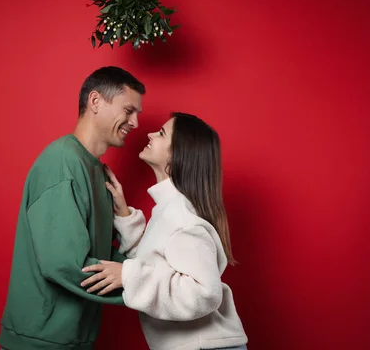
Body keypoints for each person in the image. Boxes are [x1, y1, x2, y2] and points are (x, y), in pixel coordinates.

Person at [0, 66, 145, 350]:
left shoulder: (99, 172)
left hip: (74, 340)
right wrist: (145, 285)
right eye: (128, 110)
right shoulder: (62, 162)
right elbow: (65, 261)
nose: (135, 123)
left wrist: (147, 274)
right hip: (41, 343)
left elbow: (100, 257)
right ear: (95, 102)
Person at [82, 112, 249, 350]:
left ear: (176, 155)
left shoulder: (183, 216)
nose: (149, 134)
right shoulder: (170, 209)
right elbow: (157, 260)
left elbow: (205, 293)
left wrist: (128, 276)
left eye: (161, 134)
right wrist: (124, 215)